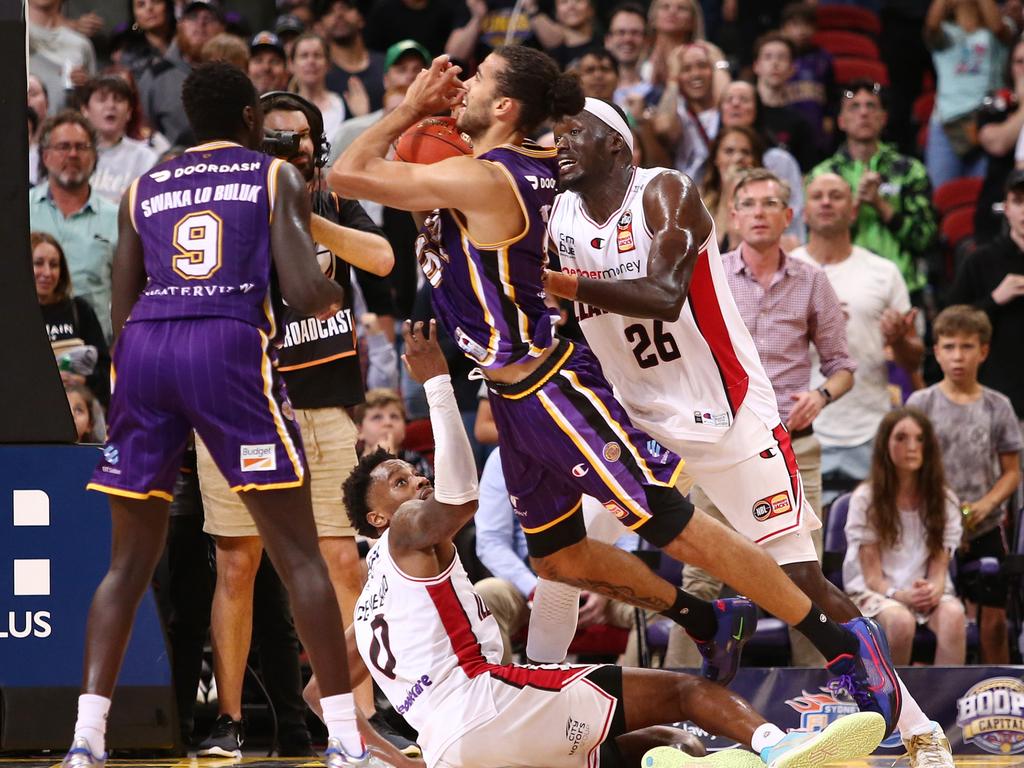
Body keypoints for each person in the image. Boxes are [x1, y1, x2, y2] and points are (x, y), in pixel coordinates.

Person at [330, 49, 901, 737]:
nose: (464, 84)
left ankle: (842, 642)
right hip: (511, 398)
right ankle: (704, 616)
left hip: (548, 382)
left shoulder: (486, 177)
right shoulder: (497, 169)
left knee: (668, 522)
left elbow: (346, 171)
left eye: (480, 78)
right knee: (556, 557)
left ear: (506, 107)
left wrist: (412, 108)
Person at [541, 103, 954, 767]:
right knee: (559, 559)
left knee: (797, 581)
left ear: (617, 143)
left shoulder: (663, 191)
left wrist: (556, 283)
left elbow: (665, 292)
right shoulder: (555, 216)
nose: (557, 145)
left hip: (725, 412)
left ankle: (915, 725)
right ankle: (545, 728)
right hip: (633, 415)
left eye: (573, 133)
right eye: (552, 134)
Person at [306, 319, 888, 768]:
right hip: (488, 700)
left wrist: (388, 759)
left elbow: (317, 694)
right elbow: (460, 499)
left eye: (413, 475)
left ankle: (711, 749)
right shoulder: (408, 527)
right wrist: (436, 382)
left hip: (446, 747)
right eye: (401, 482)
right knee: (686, 692)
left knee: (645, 745)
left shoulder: (368, 607)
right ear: (376, 518)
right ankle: (778, 744)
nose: (417, 482)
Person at [60, 62, 382, 768]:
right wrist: (333, 293)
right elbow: (302, 291)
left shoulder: (142, 186)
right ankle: (346, 741)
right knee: (299, 554)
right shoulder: (273, 176)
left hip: (144, 349)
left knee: (127, 564)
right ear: (246, 121)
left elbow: (119, 308)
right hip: (226, 344)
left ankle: (86, 739)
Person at [190, 88, 399, 756]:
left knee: (346, 559)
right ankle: (227, 718)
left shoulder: (330, 199)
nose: (291, 147)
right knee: (237, 565)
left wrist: (307, 218)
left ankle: (364, 713)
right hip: (242, 405)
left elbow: (384, 259)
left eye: (300, 137)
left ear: (317, 143)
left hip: (325, 407)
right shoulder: (232, 203)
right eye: (275, 138)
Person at [792, 174, 922, 499]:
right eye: (817, 196)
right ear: (804, 212)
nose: (825, 202)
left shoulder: (883, 272)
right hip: (799, 427)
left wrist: (898, 340)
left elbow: (914, 360)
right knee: (804, 544)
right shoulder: (785, 271)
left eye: (836, 196)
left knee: (874, 539)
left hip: (871, 426)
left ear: (852, 211)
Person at [907, 305, 1022, 664]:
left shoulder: (997, 405)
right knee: (925, 611)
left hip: (983, 523)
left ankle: (1000, 690)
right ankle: (922, 697)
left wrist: (986, 505)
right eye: (950, 346)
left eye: (967, 347)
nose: (959, 356)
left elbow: (1012, 472)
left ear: (983, 351)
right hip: (930, 525)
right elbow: (907, 467)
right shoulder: (921, 403)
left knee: (995, 621)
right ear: (936, 352)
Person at [842, 408, 967, 666]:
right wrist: (901, 595)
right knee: (900, 621)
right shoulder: (867, 499)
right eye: (901, 438)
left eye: (920, 439)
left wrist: (932, 591)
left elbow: (939, 571)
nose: (912, 446)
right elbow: (872, 578)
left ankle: (946, 704)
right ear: (885, 444)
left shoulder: (945, 501)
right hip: (876, 591)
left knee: (954, 614)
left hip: (921, 591)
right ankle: (896, 703)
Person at [810, 81, 937, 300]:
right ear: (841, 121)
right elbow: (815, 237)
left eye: (871, 106)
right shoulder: (823, 175)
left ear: (883, 118)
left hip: (903, 287)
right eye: (854, 107)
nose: (864, 113)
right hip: (838, 289)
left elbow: (924, 239)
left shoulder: (910, 170)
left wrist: (880, 204)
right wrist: (854, 205)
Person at [29, 111, 119, 341]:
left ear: (95, 156)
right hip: (26, 343)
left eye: (82, 147)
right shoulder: (20, 211)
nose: (72, 154)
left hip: (95, 350)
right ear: (45, 155)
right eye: (63, 146)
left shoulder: (116, 218)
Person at [948, 168, 1024, 421]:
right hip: (996, 401)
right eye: (1018, 201)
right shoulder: (981, 261)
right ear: (1006, 208)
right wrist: (994, 300)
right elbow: (949, 325)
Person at [924, 0, 1011, 189]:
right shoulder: (945, 31)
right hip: (946, 124)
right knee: (941, 196)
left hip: (987, 123)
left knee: (981, 194)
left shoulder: (999, 29)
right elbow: (930, 26)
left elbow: (998, 29)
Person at [719, 80, 805, 244]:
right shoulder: (707, 166)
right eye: (729, 100)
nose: (735, 104)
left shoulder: (780, 161)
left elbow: (795, 219)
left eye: (744, 99)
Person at [32, 231, 111, 409]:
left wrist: (81, 379)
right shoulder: (12, 314)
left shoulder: (80, 310)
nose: (47, 272)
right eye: (38, 263)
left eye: (54, 265)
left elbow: (104, 371)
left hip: (74, 416)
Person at [137, 0, 227, 146]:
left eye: (209, 18)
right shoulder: (156, 77)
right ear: (180, 26)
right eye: (192, 17)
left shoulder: (235, 75)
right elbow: (142, 134)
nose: (201, 23)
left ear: (223, 29)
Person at [80, 75, 159, 204]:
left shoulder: (146, 158)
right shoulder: (73, 154)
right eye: (102, 99)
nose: (111, 105)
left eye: (118, 100)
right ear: (85, 110)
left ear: (128, 112)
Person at [652, 42, 723, 181]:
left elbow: (728, 110)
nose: (695, 74)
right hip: (687, 192)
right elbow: (664, 127)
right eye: (686, 69)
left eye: (703, 66)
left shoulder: (728, 109)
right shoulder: (679, 113)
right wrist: (672, 78)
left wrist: (720, 64)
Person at [976, 39, 1024, 243]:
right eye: (1020, 62)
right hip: (997, 206)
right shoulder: (995, 103)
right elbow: (997, 144)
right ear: (1010, 67)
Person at [751, 33, 817, 172]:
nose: (775, 63)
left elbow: (805, 173)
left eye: (782, 57)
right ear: (756, 66)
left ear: (792, 69)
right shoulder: (742, 113)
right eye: (768, 57)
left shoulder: (800, 122)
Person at [778, 2, 835, 158]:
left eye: (807, 25)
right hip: (786, 129)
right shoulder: (778, 59)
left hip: (816, 126)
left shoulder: (824, 59)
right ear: (784, 28)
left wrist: (829, 116)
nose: (802, 31)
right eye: (795, 25)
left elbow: (831, 92)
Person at [700, 125, 765, 252]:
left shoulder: (765, 201)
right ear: (716, 158)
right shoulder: (697, 200)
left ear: (755, 161)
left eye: (746, 152)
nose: (738, 158)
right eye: (729, 151)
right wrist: (727, 191)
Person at [27, 0, 97, 114]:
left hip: (65, 125)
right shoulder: (12, 34)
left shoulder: (81, 44)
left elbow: (93, 105)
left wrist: (84, 88)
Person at [320, 0, 386, 115]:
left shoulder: (386, 64)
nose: (339, 14)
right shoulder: (318, 74)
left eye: (346, 7)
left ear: (361, 19)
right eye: (329, 11)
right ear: (320, 26)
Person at [355, 388, 433, 478]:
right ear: (359, 431)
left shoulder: (415, 460)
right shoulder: (349, 460)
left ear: (404, 429)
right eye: (377, 417)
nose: (388, 422)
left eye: (394, 416)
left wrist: (391, 462)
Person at [290, 33, 348, 140]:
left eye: (317, 55)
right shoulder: (285, 108)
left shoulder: (344, 104)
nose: (311, 61)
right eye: (304, 56)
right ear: (291, 65)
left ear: (328, 64)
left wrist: (361, 115)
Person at [605, 3, 651, 110]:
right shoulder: (593, 89)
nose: (627, 39)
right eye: (621, 32)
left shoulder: (658, 91)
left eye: (635, 33)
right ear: (608, 40)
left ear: (647, 41)